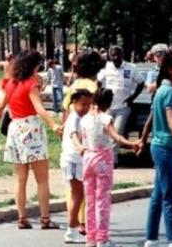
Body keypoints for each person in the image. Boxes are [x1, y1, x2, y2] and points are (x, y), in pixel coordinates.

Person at [0, 49, 62, 229]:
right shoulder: (31, 83)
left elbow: (0, 107)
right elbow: (39, 108)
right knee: (42, 179)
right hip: (31, 128)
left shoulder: (11, 83)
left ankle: (22, 218)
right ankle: (45, 219)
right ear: (33, 66)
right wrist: (53, 125)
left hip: (15, 128)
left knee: (20, 179)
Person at [77, 88, 141, 247]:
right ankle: (102, 238)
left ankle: (90, 238)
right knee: (102, 201)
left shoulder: (84, 119)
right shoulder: (106, 118)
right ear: (108, 103)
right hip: (103, 159)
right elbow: (116, 137)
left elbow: (80, 139)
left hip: (88, 158)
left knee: (90, 200)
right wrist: (131, 144)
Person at [142, 47, 172, 247]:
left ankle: (151, 237)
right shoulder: (169, 92)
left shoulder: (162, 89)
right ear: (170, 68)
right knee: (169, 196)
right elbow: (171, 121)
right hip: (167, 148)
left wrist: (143, 139)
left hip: (159, 146)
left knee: (158, 194)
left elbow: (150, 120)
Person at [97, 45, 145, 160]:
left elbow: (141, 83)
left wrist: (132, 98)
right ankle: (104, 156)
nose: (116, 57)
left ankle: (113, 160)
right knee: (105, 132)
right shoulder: (106, 68)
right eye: (113, 55)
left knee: (116, 132)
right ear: (110, 56)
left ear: (122, 55)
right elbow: (98, 82)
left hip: (123, 108)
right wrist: (100, 97)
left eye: (118, 55)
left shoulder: (131, 68)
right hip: (107, 107)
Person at [61, 88, 93, 244]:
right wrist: (79, 146)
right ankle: (71, 230)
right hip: (72, 160)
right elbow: (73, 135)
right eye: (83, 104)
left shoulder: (84, 118)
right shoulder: (74, 118)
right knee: (77, 195)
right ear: (74, 103)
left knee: (79, 195)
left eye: (89, 104)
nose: (86, 108)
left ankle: (73, 229)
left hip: (79, 161)